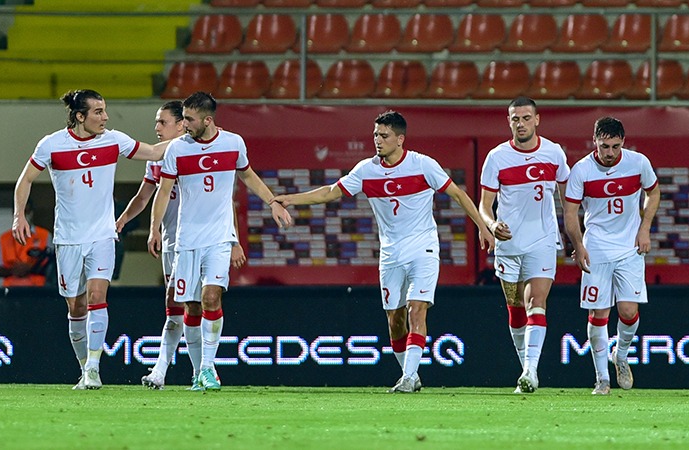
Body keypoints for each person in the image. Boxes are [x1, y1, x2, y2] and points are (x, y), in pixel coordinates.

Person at [273, 110, 494, 393]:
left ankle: (409, 377)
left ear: (400, 139)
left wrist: (482, 227)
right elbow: (330, 192)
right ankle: (409, 374)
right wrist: (289, 200)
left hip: (423, 246)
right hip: (390, 252)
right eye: (375, 134)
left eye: (384, 135)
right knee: (395, 320)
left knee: (417, 309)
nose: (377, 140)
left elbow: (459, 195)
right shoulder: (367, 170)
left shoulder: (423, 165)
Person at [12, 89, 171, 390]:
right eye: (98, 112)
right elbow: (26, 180)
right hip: (69, 238)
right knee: (76, 306)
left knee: (98, 297)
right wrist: (19, 215)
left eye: (105, 110)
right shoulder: (51, 144)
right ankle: (84, 367)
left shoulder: (113, 140)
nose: (105, 117)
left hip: (102, 234)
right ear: (79, 116)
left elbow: (153, 152)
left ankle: (94, 369)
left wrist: (192, 137)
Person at [148, 91, 292, 391]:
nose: (184, 123)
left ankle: (208, 368)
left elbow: (249, 176)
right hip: (186, 240)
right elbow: (163, 192)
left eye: (189, 119)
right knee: (191, 306)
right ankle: (197, 369)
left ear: (208, 120)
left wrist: (272, 202)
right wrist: (154, 229)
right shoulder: (177, 149)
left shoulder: (233, 143)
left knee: (211, 297)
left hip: (218, 238)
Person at [116, 100, 246, 390]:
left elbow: (224, 202)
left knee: (204, 300)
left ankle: (176, 369)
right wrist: (124, 221)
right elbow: (143, 197)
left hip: (206, 239)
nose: (157, 128)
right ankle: (190, 371)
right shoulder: (161, 158)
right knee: (178, 305)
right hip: (174, 240)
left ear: (181, 123)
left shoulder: (211, 147)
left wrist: (234, 239)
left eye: (163, 122)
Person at [479, 96, 570, 393]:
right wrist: (492, 225)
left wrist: (572, 235)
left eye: (526, 118)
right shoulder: (496, 157)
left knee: (536, 303)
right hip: (509, 244)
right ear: (509, 122)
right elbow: (484, 205)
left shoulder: (554, 153)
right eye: (515, 119)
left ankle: (531, 372)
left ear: (537, 119)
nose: (521, 124)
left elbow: (567, 198)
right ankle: (526, 368)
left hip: (542, 241)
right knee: (515, 311)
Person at [563, 117, 659, 395]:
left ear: (623, 143)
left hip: (629, 247)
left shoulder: (638, 162)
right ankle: (602, 378)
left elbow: (653, 193)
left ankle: (621, 355)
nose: (610, 153)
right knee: (598, 312)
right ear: (595, 141)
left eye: (616, 146)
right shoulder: (581, 170)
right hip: (597, 249)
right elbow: (570, 212)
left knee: (629, 311)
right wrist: (579, 245)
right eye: (605, 146)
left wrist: (645, 229)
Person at [0, 199, 54, 287]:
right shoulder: (4, 238)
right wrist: (12, 271)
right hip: (11, 291)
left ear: (32, 212)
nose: (24, 215)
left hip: (38, 290)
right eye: (20, 212)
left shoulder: (44, 235)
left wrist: (30, 269)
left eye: (26, 211)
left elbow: (52, 266)